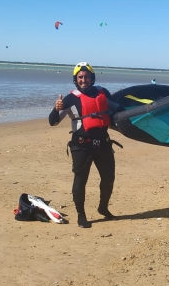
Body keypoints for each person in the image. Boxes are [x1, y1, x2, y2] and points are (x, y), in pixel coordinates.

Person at [49, 62, 122, 228]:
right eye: (80, 77)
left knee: (109, 179)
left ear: (92, 78)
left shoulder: (103, 93)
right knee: (81, 180)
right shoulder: (70, 99)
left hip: (103, 144)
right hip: (81, 146)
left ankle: (103, 208)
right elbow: (53, 122)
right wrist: (56, 108)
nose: (84, 80)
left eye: (87, 76)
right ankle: (81, 215)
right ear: (76, 79)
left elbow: (118, 110)